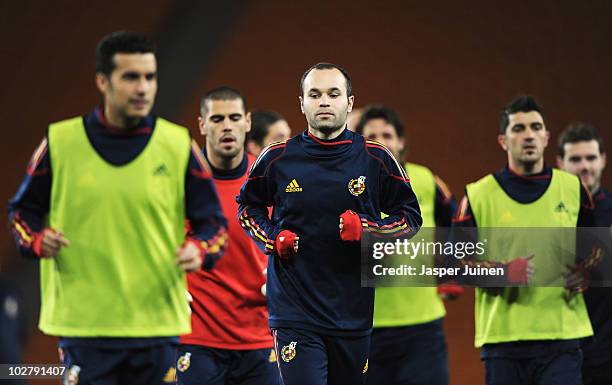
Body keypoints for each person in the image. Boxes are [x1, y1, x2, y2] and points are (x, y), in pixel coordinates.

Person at [7, 31, 227, 385]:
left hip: (157, 326)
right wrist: (36, 240)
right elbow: (21, 213)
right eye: (131, 77)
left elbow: (214, 225)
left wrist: (199, 248)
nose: (143, 88)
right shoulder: (61, 143)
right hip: (86, 329)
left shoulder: (177, 146)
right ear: (102, 81)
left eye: (150, 77)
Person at [237, 62, 422, 385]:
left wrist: (368, 229)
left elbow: (410, 218)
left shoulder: (375, 158)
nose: (324, 101)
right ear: (302, 103)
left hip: (352, 314)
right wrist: (273, 238)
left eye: (333, 94)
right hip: (295, 312)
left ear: (349, 102)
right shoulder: (277, 158)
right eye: (315, 94)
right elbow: (247, 207)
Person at [453, 96, 595, 385]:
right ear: (503, 141)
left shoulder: (574, 190)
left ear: (546, 138)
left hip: (563, 338)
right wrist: (501, 273)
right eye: (518, 129)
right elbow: (455, 266)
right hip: (504, 343)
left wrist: (585, 273)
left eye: (535, 127)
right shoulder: (478, 195)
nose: (528, 135)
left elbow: (594, 252)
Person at [176, 87, 276, 385]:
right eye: (217, 119)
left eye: (234, 118)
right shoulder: (179, 182)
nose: (227, 126)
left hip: (260, 337)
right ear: (203, 125)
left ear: (247, 123)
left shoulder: (270, 180)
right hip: (197, 338)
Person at [355, 105, 458, 385]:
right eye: (371, 136)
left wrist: (451, 270)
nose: (381, 141)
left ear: (401, 142)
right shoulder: (348, 186)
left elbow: (458, 222)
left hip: (423, 329)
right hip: (365, 330)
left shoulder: (426, 180)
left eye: (387, 134)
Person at [557, 123, 612, 385]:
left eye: (591, 158)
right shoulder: (547, 213)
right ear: (560, 163)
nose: (584, 166)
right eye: (575, 159)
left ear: (603, 160)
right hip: (559, 350)